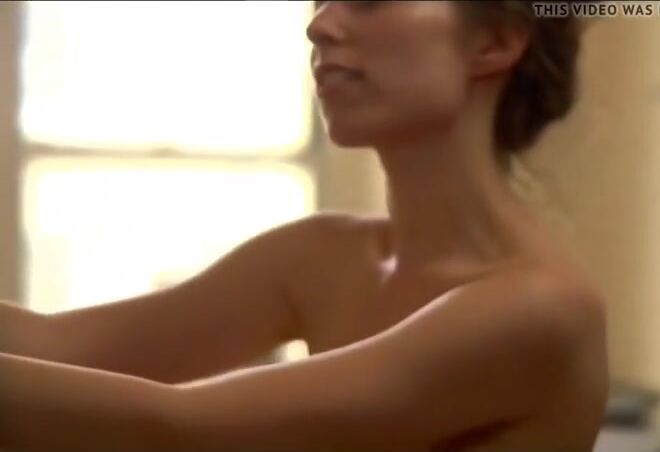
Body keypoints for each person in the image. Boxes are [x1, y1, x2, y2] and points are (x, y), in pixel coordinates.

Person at [0, 1, 608, 450]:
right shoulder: (324, 258)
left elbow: (179, 428)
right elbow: (64, 346)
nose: (319, 23)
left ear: (495, 42)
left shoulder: (540, 309)